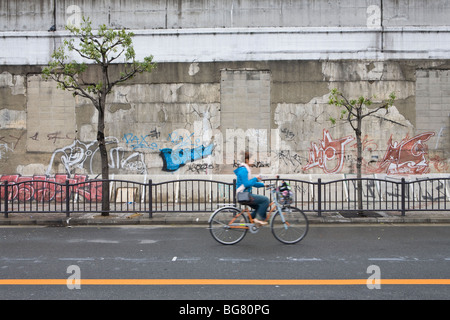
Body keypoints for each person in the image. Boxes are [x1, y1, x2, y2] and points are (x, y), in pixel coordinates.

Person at [234, 151, 270, 226]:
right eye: (252, 159)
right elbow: (247, 184)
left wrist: (264, 185)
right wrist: (256, 178)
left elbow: (252, 183)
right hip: (243, 195)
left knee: (260, 207)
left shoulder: (245, 170)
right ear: (247, 160)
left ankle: (246, 220)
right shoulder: (243, 170)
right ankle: (258, 219)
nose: (254, 161)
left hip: (244, 194)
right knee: (265, 200)